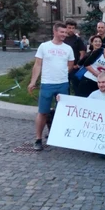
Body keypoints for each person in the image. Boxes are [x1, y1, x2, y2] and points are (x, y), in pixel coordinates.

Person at [28, 22, 75, 151]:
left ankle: (60, 136)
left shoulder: (68, 49)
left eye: (65, 32)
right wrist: (33, 82)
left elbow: (70, 64)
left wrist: (63, 73)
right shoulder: (44, 46)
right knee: (42, 112)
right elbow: (37, 65)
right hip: (47, 83)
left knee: (63, 111)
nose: (64, 34)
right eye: (61, 32)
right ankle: (38, 139)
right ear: (54, 32)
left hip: (63, 84)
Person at [64, 19, 87, 95]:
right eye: (69, 28)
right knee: (64, 87)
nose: (71, 30)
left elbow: (82, 52)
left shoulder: (77, 39)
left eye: (73, 28)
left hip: (74, 67)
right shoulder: (62, 38)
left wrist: (78, 65)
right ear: (66, 28)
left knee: (76, 87)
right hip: (63, 67)